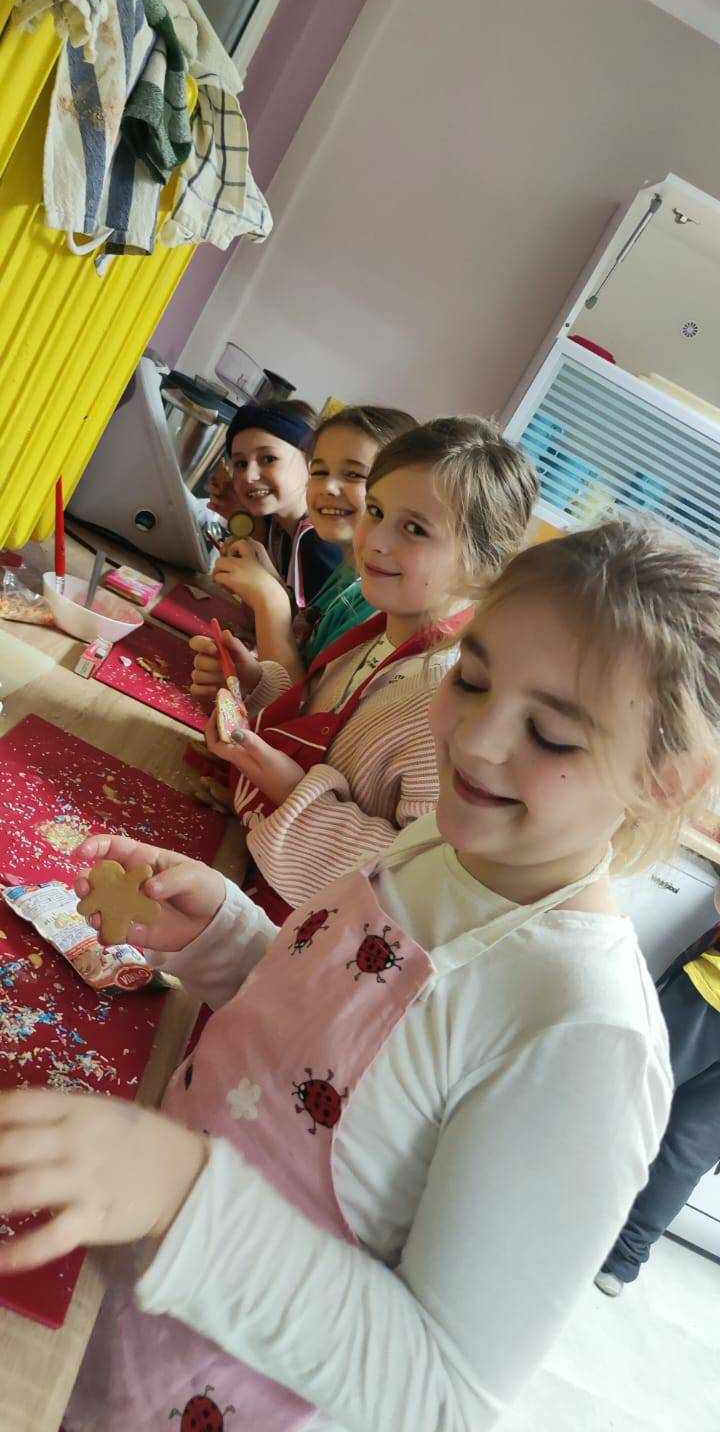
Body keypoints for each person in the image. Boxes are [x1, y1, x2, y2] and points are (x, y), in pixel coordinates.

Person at [6, 516, 720, 1431]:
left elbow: (443, 1396)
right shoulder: (446, 843)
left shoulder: (583, 1035)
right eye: (472, 679)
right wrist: (221, 935)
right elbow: (337, 1071)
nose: (476, 740)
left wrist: (180, 1197)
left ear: (665, 780)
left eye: (549, 735)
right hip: (106, 1304)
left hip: (203, 1394)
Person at [203, 417, 539, 918]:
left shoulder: (446, 697)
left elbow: (413, 880)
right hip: (243, 863)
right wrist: (255, 684)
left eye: (414, 529)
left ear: (483, 565)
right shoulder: (382, 628)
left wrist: (291, 791)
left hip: (296, 927)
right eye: (377, 511)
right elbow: (326, 724)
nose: (375, 540)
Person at [193, 404, 416, 685]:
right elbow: (303, 657)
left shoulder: (369, 597)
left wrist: (270, 600)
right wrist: (250, 675)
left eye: (354, 474)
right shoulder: (347, 574)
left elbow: (300, 700)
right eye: (320, 471)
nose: (328, 487)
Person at [595, 914, 720, 1295]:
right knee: (687, 1152)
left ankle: (550, 1204)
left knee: (625, 1098)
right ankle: (621, 1261)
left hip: (708, 998)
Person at [212, 396, 342, 613]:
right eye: (241, 464)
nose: (249, 476)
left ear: (313, 464)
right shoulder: (277, 523)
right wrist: (244, 518)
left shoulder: (320, 543)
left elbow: (311, 630)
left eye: (268, 459)